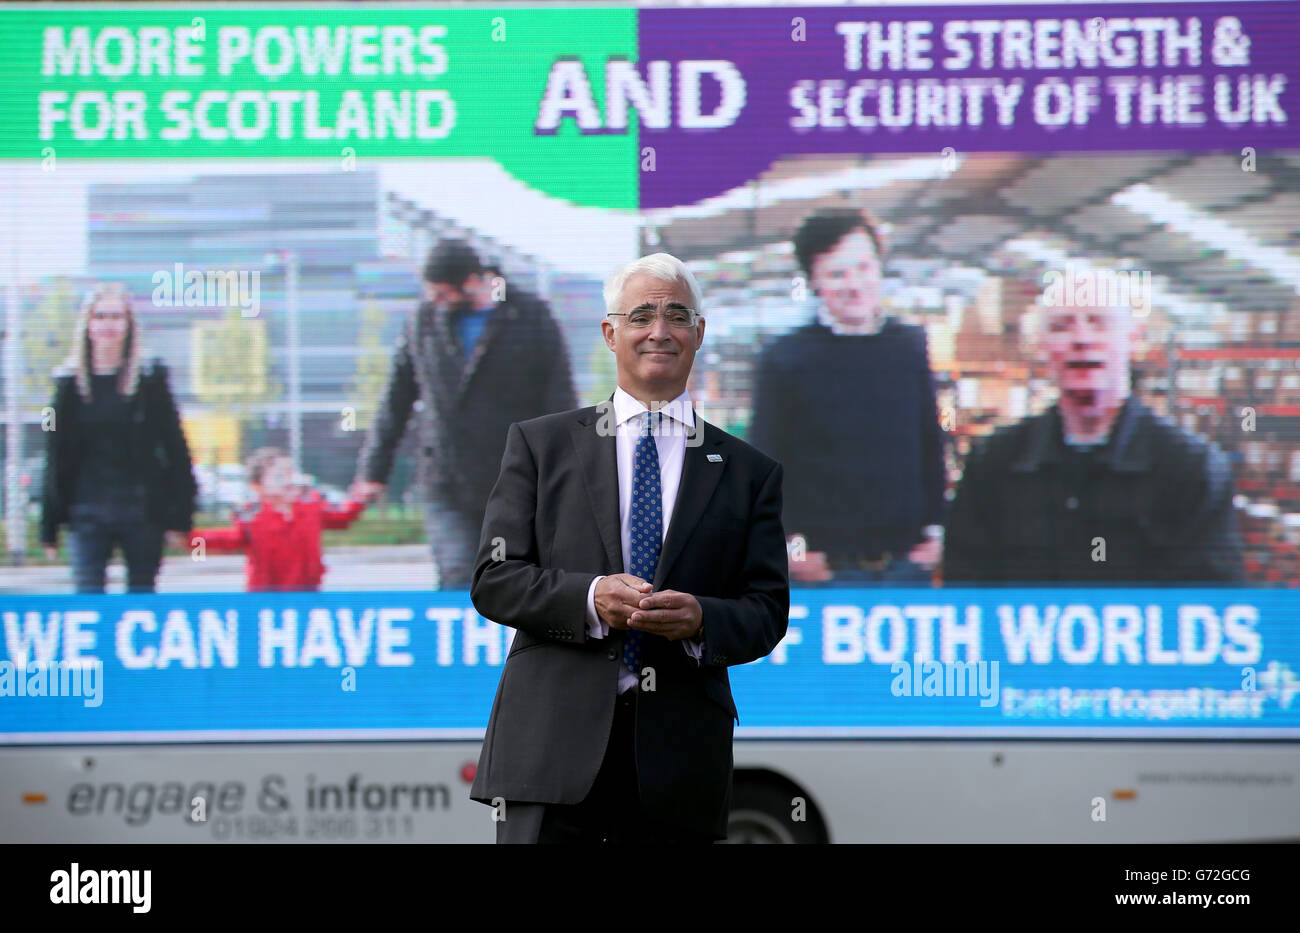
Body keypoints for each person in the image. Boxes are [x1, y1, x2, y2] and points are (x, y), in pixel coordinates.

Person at [469, 253, 790, 844]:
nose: (659, 331)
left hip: (678, 766)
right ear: (610, 333)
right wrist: (590, 598)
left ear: (698, 334)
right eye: (641, 315)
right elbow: (494, 577)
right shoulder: (541, 446)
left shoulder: (749, 472)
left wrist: (701, 618)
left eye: (677, 316)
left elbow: (767, 611)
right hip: (548, 755)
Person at [944, 301, 1245, 583]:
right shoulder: (993, 463)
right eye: (1061, 327)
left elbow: (1212, 606)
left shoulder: (1189, 469)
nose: (1081, 338)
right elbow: (966, 592)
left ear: (1133, 338)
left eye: (1098, 323)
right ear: (1042, 346)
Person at [353, 240, 577, 588]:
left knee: (510, 578)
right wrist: (373, 471)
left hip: (514, 479)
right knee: (456, 573)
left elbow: (559, 398)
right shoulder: (424, 322)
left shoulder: (530, 315)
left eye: (442, 294)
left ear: (473, 281)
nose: (435, 302)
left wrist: (564, 471)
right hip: (446, 479)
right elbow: (396, 400)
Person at [748, 208, 946, 584]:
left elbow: (930, 443)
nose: (854, 284)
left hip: (906, 566)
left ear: (879, 268)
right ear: (815, 282)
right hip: (824, 573)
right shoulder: (785, 358)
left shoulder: (910, 346)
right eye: (837, 274)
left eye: (864, 268)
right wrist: (792, 549)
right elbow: (763, 465)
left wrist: (936, 531)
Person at [40, 283, 196, 593]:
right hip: (86, 512)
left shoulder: (151, 379)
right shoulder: (67, 384)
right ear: (87, 325)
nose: (108, 324)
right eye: (100, 316)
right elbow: (54, 453)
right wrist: (49, 525)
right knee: (87, 598)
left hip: (142, 511)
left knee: (141, 598)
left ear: (128, 325)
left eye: (116, 316)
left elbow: (175, 446)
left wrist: (181, 515)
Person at [191, 447, 366, 592]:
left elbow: (343, 517)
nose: (288, 481)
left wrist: (358, 499)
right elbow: (230, 539)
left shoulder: (312, 505)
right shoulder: (252, 516)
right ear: (258, 486)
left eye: (291, 473)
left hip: (308, 593)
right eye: (279, 476)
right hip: (266, 596)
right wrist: (191, 540)